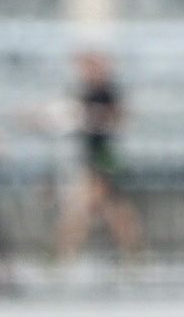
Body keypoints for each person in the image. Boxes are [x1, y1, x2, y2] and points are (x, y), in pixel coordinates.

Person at [57, 51, 142, 262]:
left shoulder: (106, 91)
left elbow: (117, 117)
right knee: (111, 208)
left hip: (103, 157)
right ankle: (132, 250)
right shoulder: (87, 92)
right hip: (91, 156)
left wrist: (88, 116)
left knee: (86, 206)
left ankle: (63, 251)